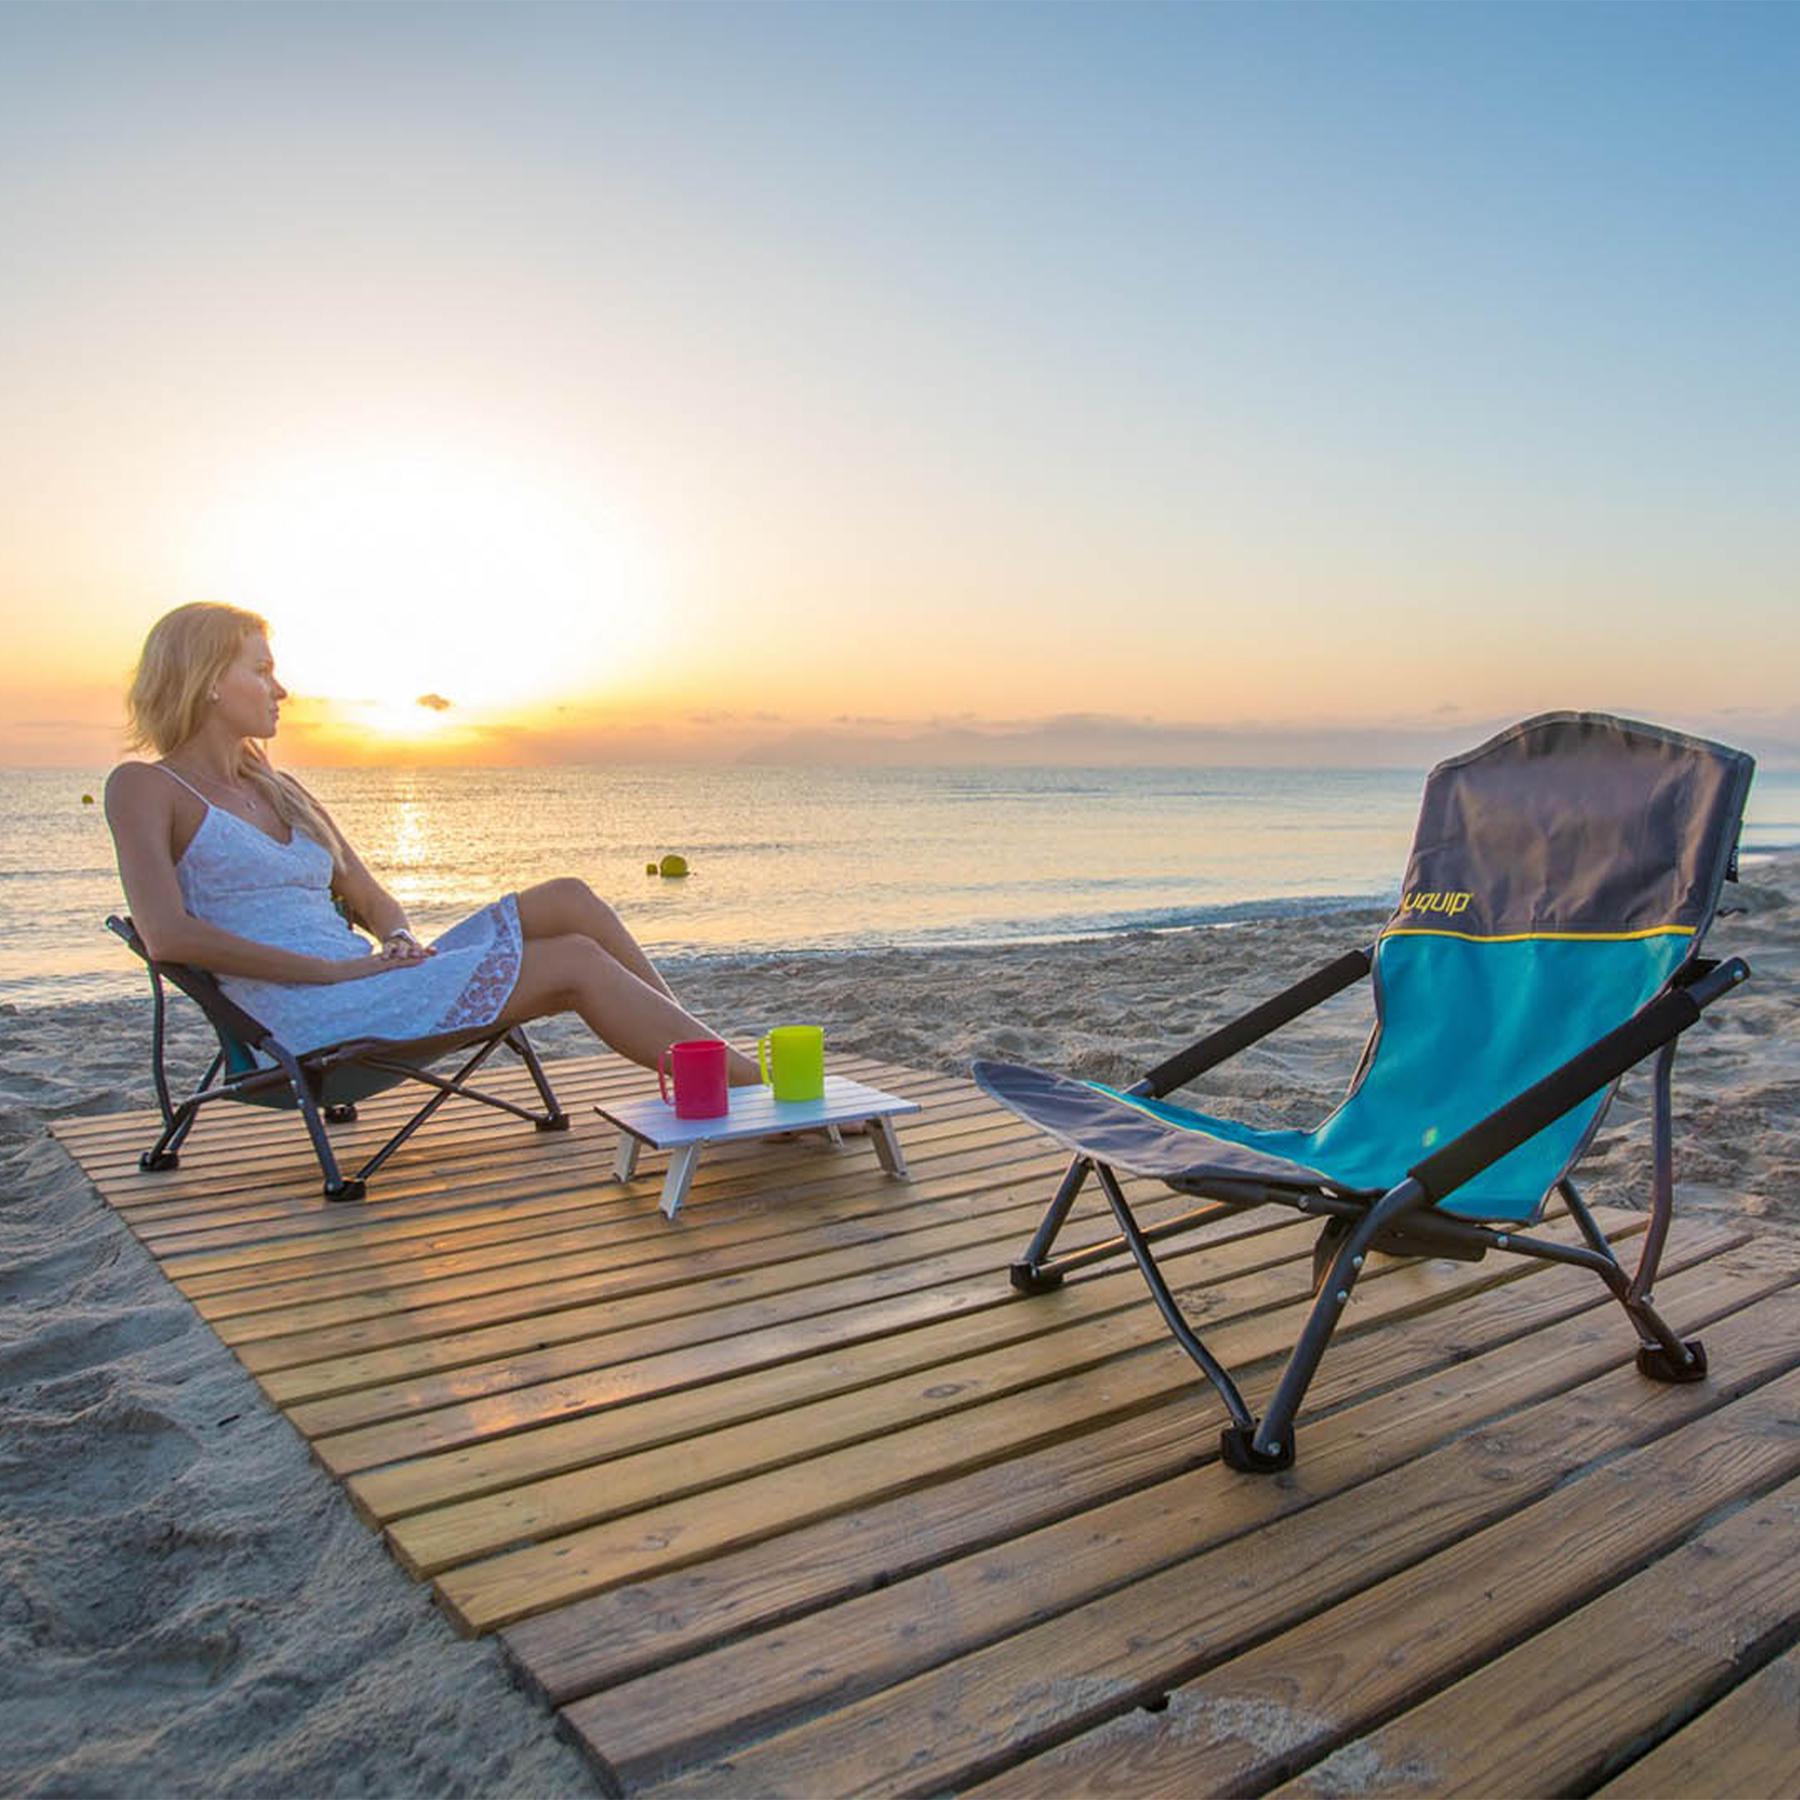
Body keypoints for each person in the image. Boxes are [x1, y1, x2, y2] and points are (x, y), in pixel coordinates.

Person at [104, 601, 762, 1086]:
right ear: (211, 678)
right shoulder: (145, 788)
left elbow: (368, 895)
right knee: (574, 961)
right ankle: (751, 1091)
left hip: (372, 982)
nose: (282, 690)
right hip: (307, 1015)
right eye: (264, 671)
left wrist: (395, 938)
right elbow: (169, 938)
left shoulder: (283, 790)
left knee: (570, 900)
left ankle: (701, 1066)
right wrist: (333, 971)